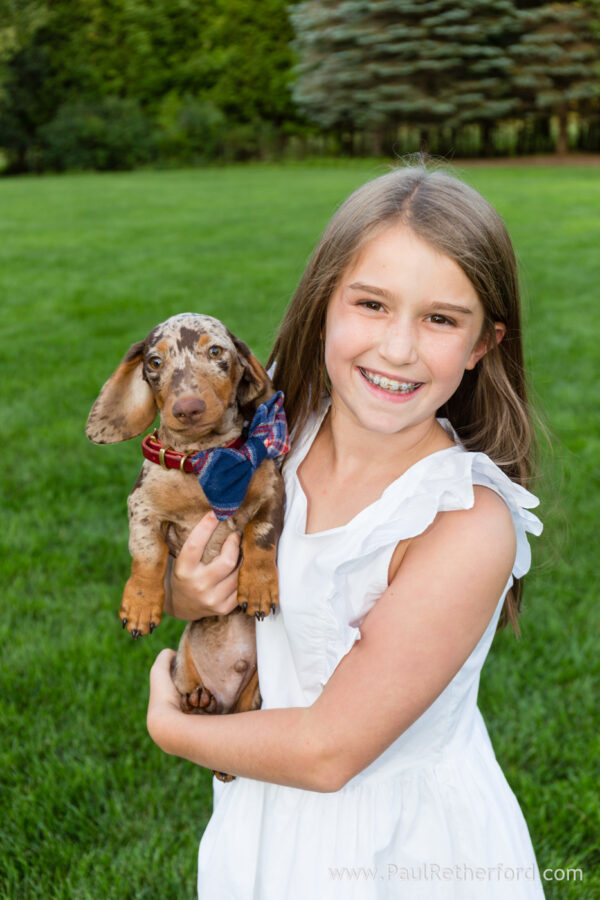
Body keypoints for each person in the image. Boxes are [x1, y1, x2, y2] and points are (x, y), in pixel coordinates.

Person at [146, 166, 545, 899]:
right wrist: (188, 592)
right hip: (265, 816)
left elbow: (332, 751)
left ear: (483, 342)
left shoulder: (464, 521)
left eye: (440, 319)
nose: (397, 349)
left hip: (400, 852)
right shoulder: (275, 433)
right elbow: (207, 581)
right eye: (371, 304)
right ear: (324, 303)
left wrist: (172, 729)